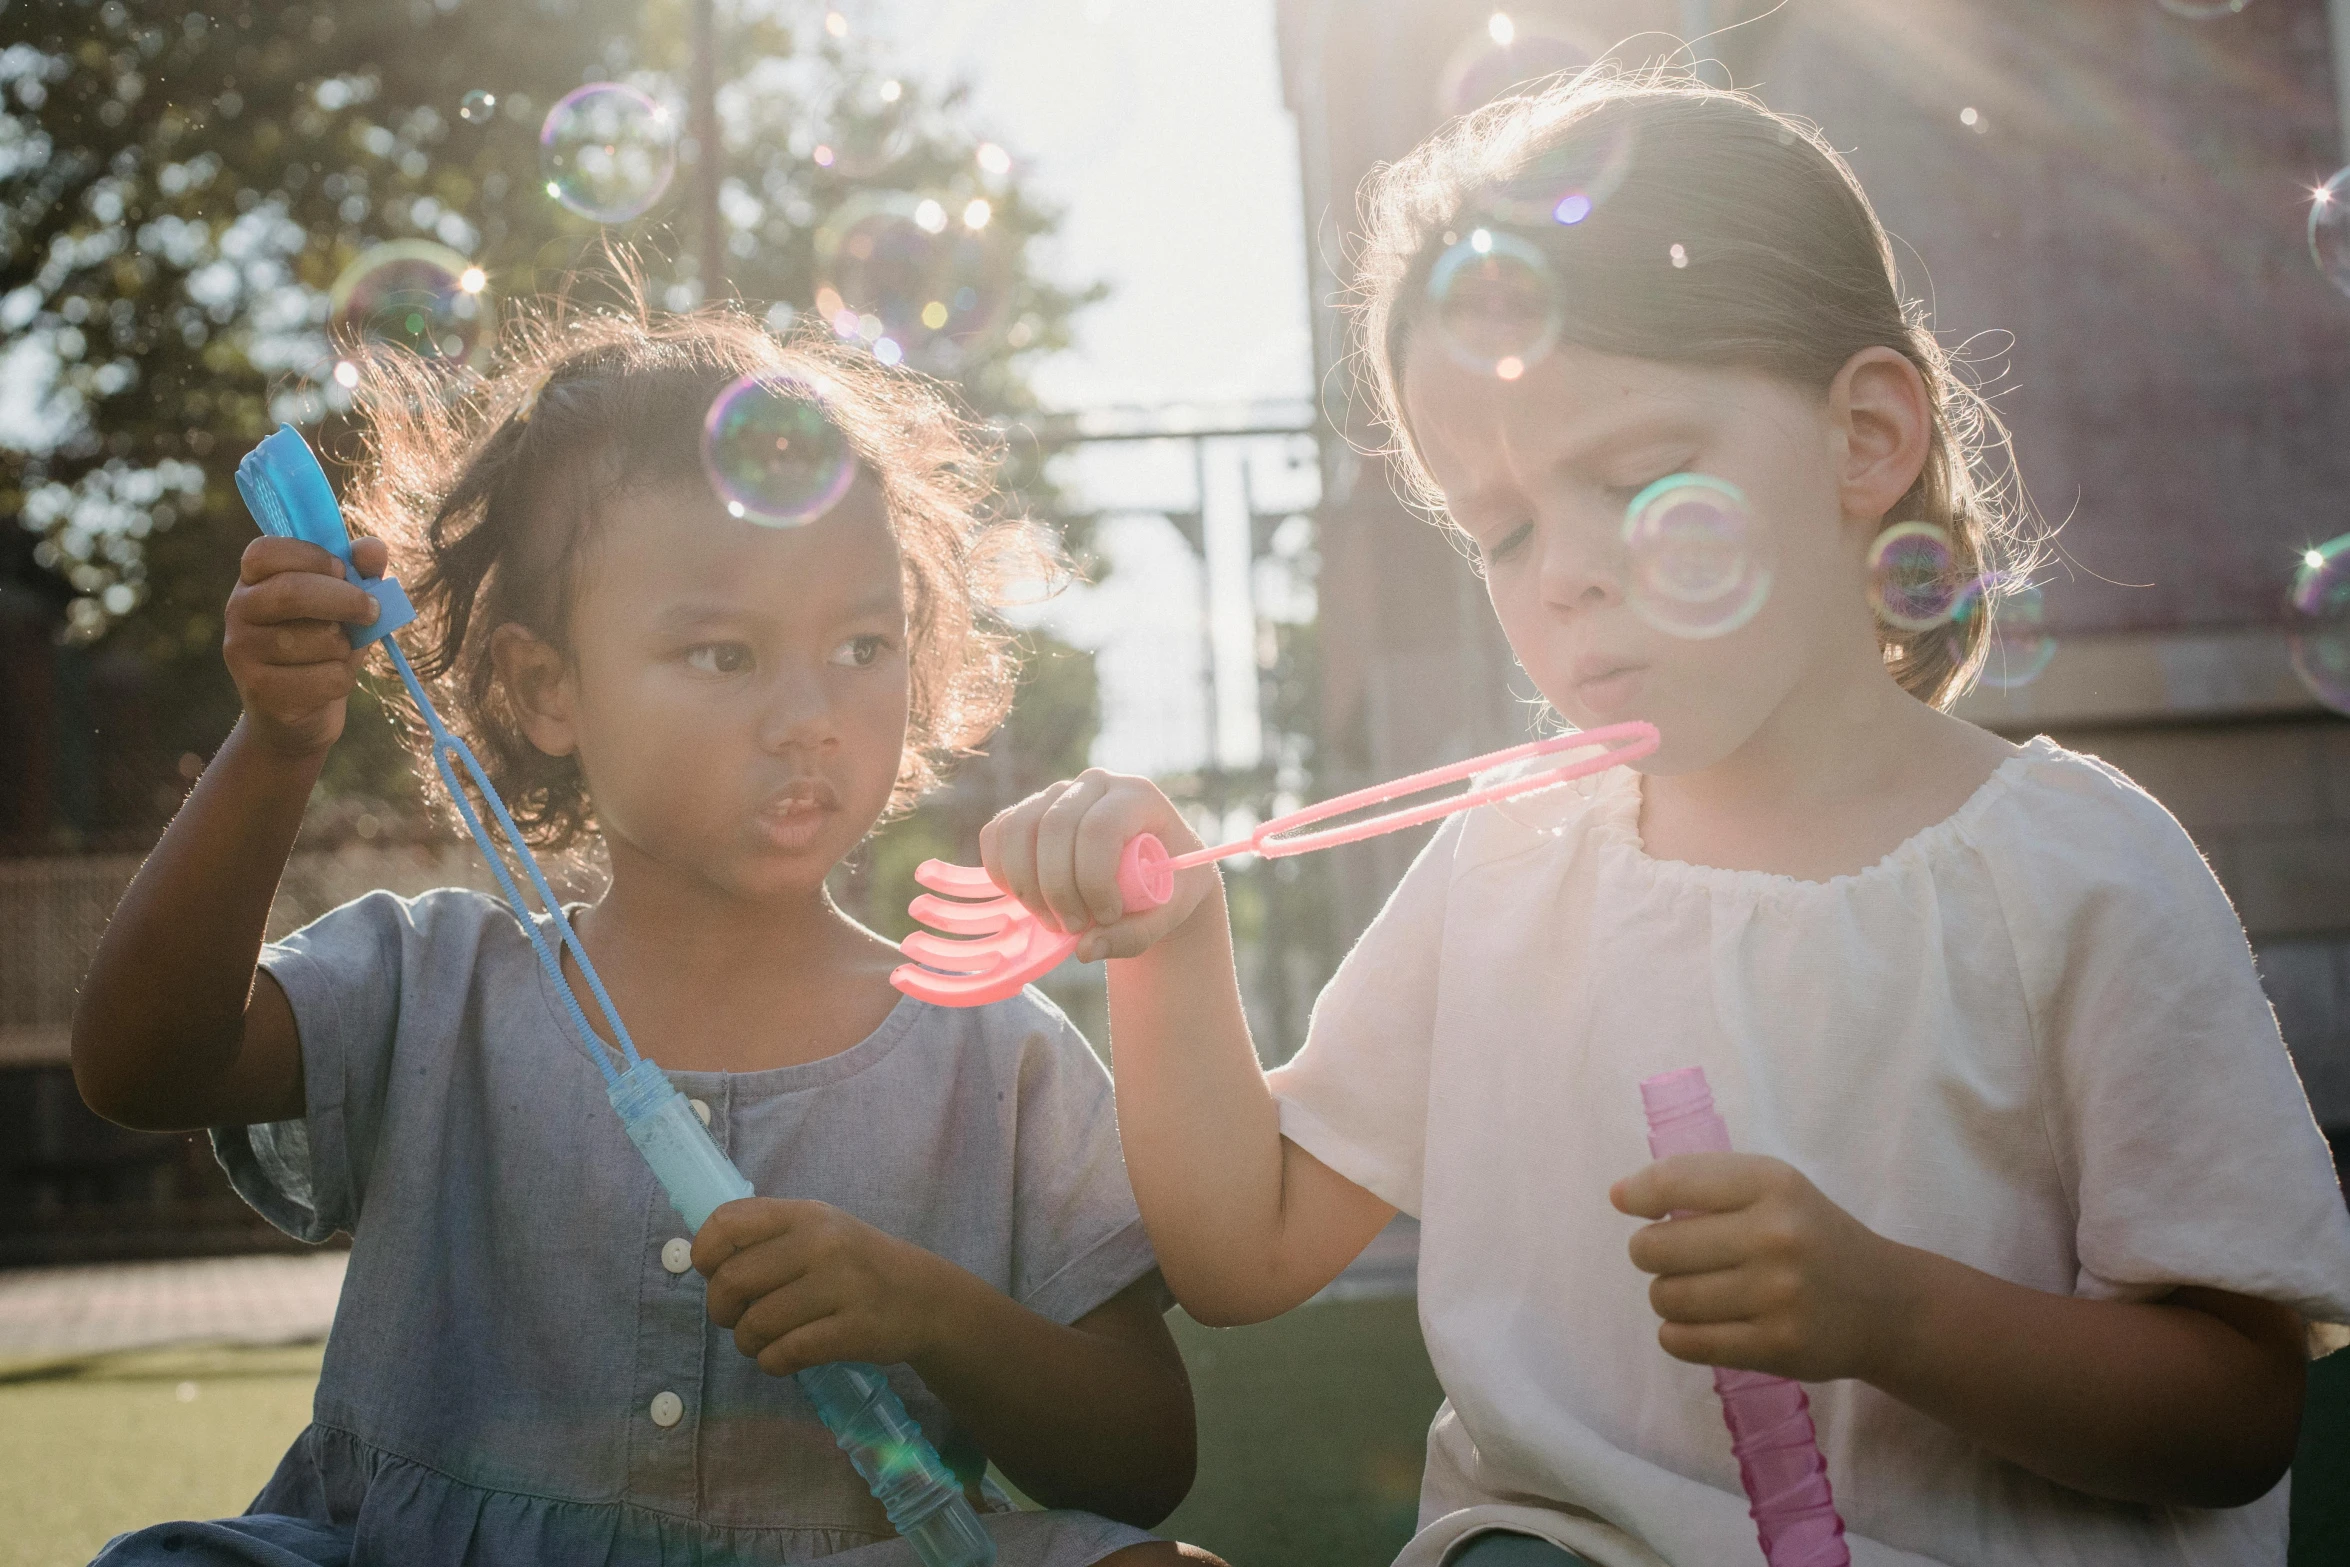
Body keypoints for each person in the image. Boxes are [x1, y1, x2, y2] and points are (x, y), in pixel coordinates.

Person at [977, 71, 2350, 1567]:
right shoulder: (1510, 863)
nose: (1558, 570)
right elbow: (1243, 1246)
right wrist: (1170, 947)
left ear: (1863, 436)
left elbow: (2233, 1412)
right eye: (1498, 525)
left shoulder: (2074, 871)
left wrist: (1890, 1309)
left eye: (1632, 476)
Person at [71, 303, 1221, 1567]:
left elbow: (1144, 1457)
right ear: (546, 688)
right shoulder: (438, 984)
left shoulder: (993, 1048)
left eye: (860, 644)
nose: (808, 715)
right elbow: (143, 1065)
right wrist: (276, 747)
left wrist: (930, 1309)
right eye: (723, 653)